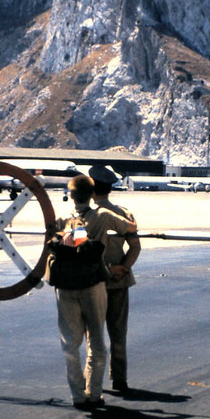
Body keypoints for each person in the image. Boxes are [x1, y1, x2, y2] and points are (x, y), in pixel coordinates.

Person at [50, 174, 136, 410]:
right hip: (93, 284)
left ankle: (77, 395)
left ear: (70, 195)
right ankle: (94, 393)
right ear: (92, 194)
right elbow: (131, 227)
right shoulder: (103, 215)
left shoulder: (62, 220)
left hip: (65, 287)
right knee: (97, 342)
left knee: (70, 343)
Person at [89, 165, 141, 394]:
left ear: (92, 189)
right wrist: (123, 268)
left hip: (94, 281)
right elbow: (135, 247)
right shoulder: (124, 214)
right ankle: (119, 379)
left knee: (94, 334)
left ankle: (94, 381)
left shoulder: (87, 216)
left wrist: (108, 270)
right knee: (118, 332)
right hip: (119, 281)